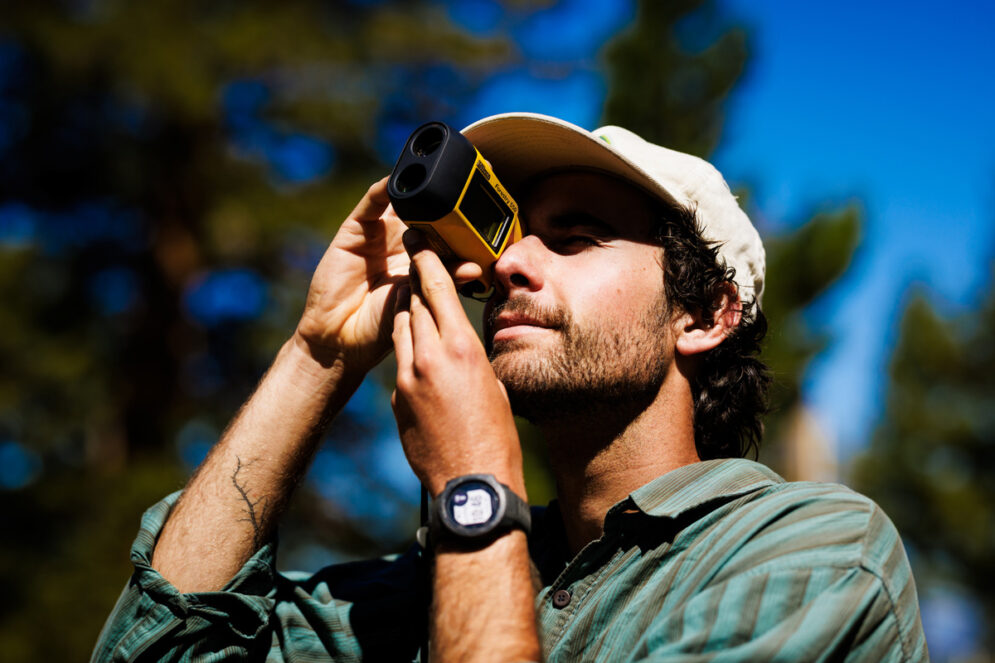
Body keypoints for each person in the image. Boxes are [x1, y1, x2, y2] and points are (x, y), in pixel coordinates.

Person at [92, 113, 928, 662]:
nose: (507, 264)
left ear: (705, 313)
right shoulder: (427, 587)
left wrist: (474, 488)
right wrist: (318, 353)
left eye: (575, 237)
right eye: (511, 236)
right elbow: (158, 648)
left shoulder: (817, 555)